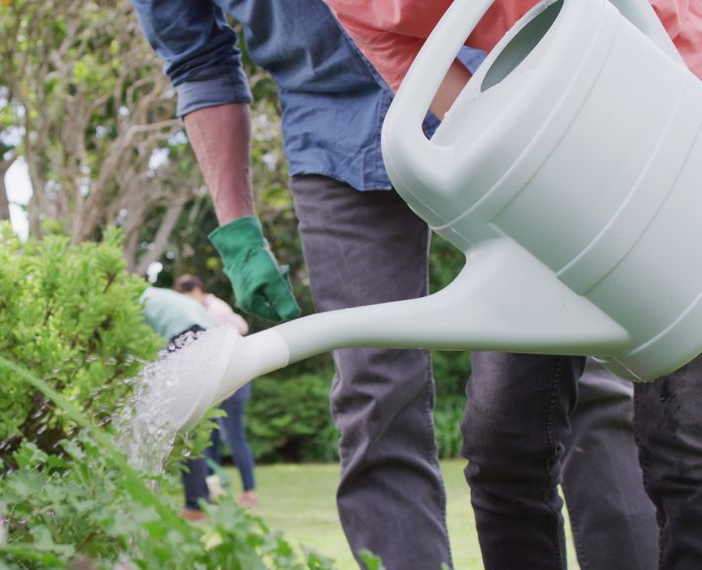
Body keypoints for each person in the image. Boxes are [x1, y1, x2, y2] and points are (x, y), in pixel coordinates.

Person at [128, 1, 659, 568]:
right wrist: (236, 228)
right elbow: (198, 61)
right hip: (334, 136)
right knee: (375, 401)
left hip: (492, 85)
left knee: (579, 369)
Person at [321, 2, 702, 568]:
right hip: (546, 162)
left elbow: (654, 24)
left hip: (668, 121)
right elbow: (457, 105)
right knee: (503, 446)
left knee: (683, 444)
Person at [175, 274, 258, 508]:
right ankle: (215, 493)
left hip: (235, 383)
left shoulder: (216, 309)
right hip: (216, 385)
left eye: (189, 297)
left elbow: (242, 327)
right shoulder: (200, 310)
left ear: (198, 290)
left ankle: (250, 492)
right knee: (209, 441)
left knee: (234, 438)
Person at [139, 286, 217, 522]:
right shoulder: (158, 295)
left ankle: (193, 504)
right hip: (211, 339)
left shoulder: (134, 298)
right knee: (190, 424)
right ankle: (197, 501)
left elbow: (138, 344)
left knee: (172, 424)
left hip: (186, 336)